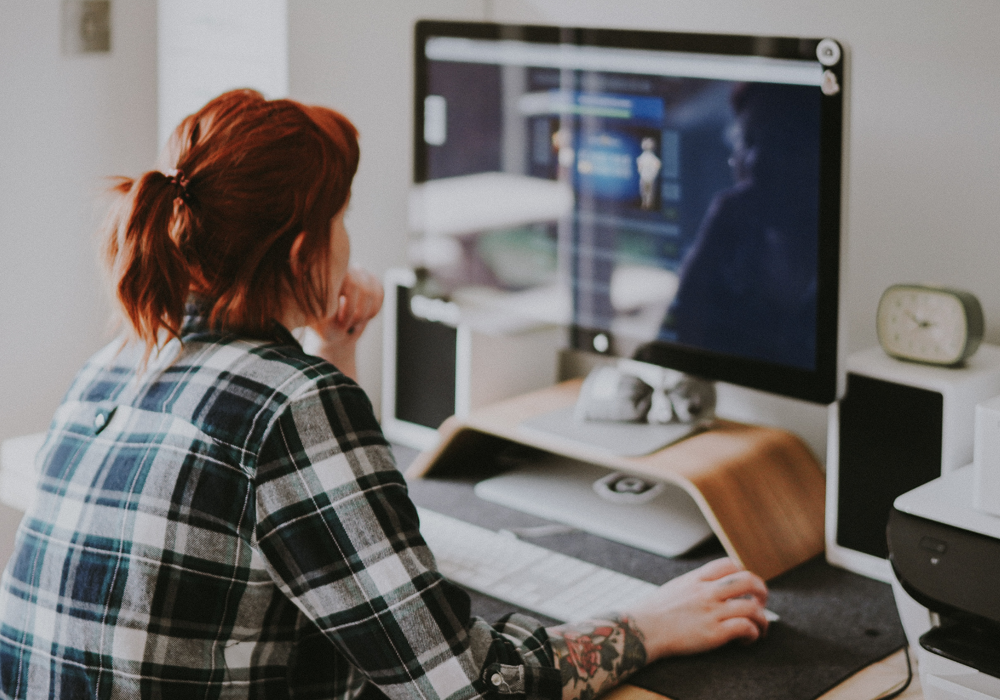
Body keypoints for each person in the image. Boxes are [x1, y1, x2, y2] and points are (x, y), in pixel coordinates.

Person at [0, 89, 769, 700]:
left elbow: (314, 537)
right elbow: (466, 687)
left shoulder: (118, 360)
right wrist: (649, 625)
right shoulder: (291, 405)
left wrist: (332, 352)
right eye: (342, 219)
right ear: (305, 250)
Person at [664, 82, 822, 370]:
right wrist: (708, 253)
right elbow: (674, 346)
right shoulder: (732, 245)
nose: (757, 160)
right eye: (747, 141)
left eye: (780, 143)